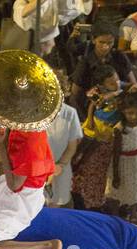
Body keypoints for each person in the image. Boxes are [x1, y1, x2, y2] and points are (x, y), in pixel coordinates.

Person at [72, 62, 122, 210]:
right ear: (102, 84)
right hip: (95, 126)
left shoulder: (120, 91)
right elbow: (92, 106)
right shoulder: (97, 92)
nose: (116, 83)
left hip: (107, 132)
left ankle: (93, 199)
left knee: (94, 158)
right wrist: (91, 122)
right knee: (84, 152)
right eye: (111, 82)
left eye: (117, 79)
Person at [105, 89, 137, 220]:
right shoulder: (120, 129)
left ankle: (133, 215)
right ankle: (115, 217)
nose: (134, 116)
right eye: (130, 113)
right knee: (118, 192)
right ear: (123, 112)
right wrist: (116, 174)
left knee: (136, 191)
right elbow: (116, 153)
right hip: (123, 165)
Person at [70, 20, 134, 106]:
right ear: (93, 40)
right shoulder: (85, 63)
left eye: (109, 43)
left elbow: (133, 83)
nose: (105, 47)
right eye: (101, 42)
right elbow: (74, 95)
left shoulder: (119, 57)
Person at [46, 69, 83, 205]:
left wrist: (60, 165)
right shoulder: (34, 114)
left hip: (60, 169)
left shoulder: (70, 113)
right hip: (38, 169)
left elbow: (72, 145)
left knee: (57, 203)